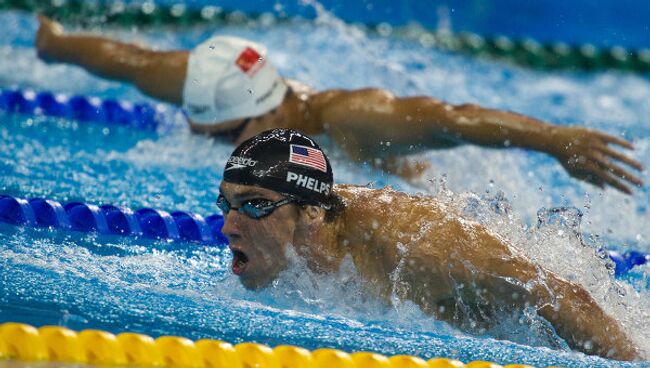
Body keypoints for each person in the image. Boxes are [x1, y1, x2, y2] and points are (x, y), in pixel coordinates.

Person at [35, 16, 644, 193]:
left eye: (225, 137)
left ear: (269, 115)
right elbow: (121, 59)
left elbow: (456, 120)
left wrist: (554, 140)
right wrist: (54, 42)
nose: (211, 142)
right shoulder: (205, 80)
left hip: (423, 182)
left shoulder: (354, 116)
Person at [217, 128, 641, 361]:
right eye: (227, 205)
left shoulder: (414, 246)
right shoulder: (297, 231)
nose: (228, 227)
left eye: (254, 206)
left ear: (311, 212)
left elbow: (560, 295)